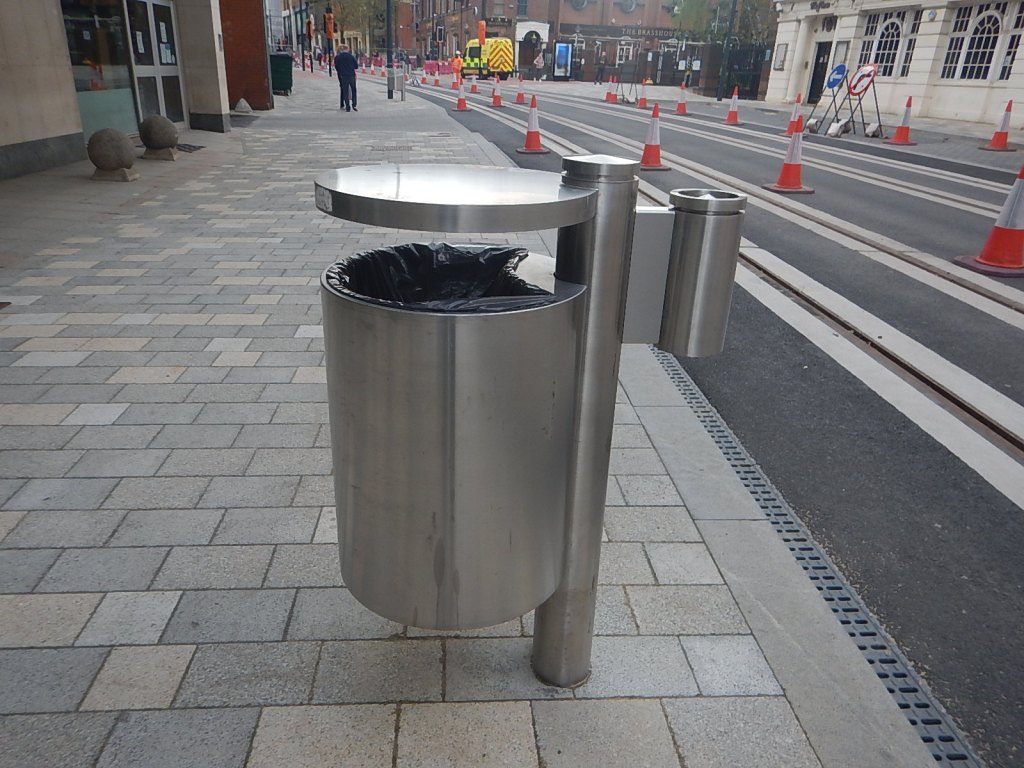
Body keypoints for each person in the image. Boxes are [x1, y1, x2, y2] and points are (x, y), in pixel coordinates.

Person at [334, 44, 359, 111]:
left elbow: (337, 67)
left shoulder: (339, 57)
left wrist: (341, 71)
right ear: (347, 49)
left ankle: (347, 106)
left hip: (343, 76)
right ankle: (354, 104)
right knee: (353, 90)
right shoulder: (351, 56)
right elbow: (356, 66)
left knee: (345, 91)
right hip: (352, 75)